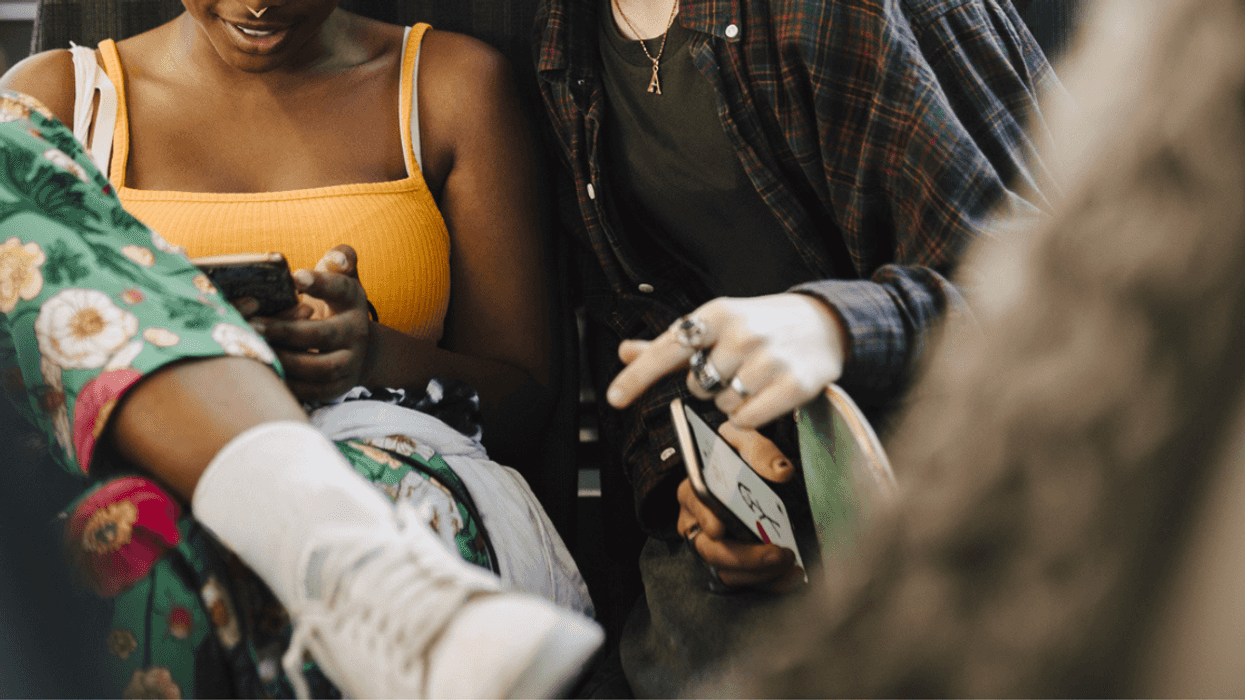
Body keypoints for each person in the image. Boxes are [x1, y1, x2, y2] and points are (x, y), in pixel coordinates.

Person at [0, 0, 604, 695]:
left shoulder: (449, 87)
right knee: (137, 536)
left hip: (387, 454)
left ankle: (355, 550)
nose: (257, 3)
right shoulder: (56, 101)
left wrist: (374, 357)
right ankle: (353, 560)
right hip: (126, 476)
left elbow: (527, 401)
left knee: (205, 550)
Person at [535, 0, 1060, 691]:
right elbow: (632, 313)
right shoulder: (563, 34)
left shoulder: (850, 13)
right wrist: (697, 483)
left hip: (958, 499)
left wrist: (834, 324)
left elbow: (1058, 290)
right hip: (761, 523)